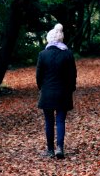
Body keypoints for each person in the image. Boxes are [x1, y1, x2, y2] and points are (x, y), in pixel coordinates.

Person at [36, 23, 77, 159]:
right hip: (63, 93)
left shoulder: (43, 54)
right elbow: (73, 75)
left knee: (48, 121)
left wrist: (41, 88)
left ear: (49, 39)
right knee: (60, 120)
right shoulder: (68, 54)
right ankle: (60, 147)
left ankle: (50, 150)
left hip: (47, 92)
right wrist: (71, 89)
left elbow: (39, 75)